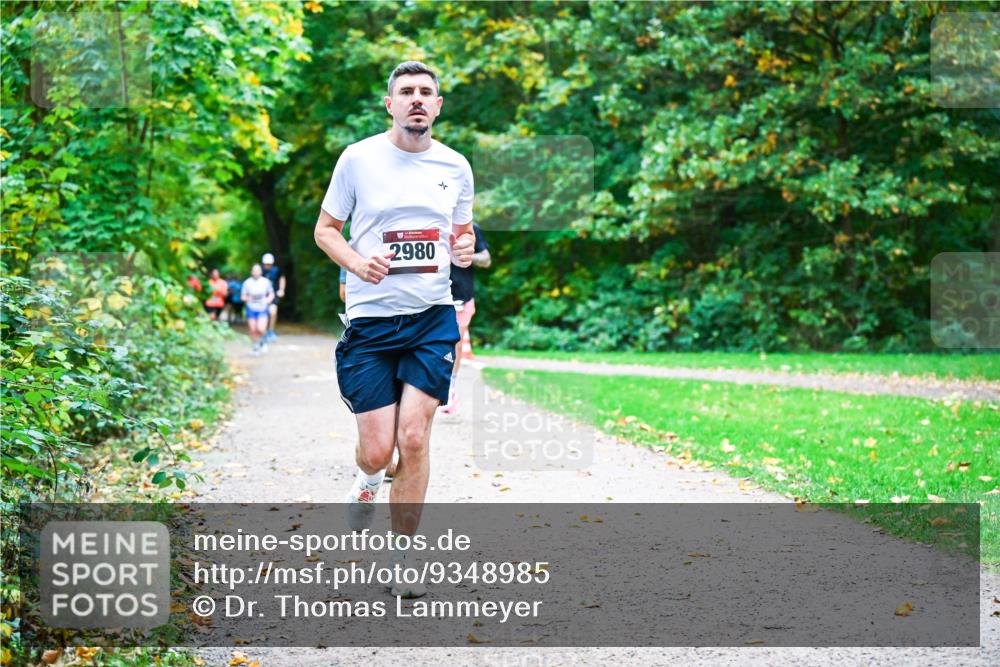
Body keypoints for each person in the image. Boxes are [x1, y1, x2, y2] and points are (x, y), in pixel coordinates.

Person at [314, 60, 475, 598]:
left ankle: (403, 559)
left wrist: (466, 248)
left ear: (438, 106)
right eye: (406, 92)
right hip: (370, 322)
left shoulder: (455, 166)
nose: (416, 100)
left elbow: (463, 234)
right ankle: (367, 479)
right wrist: (357, 264)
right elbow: (326, 230)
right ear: (390, 104)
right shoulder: (357, 160)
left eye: (426, 92)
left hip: (432, 318)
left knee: (415, 437)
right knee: (379, 451)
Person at [440, 222, 490, 413]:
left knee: (456, 342)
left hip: (462, 295)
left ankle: (450, 389)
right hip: (432, 295)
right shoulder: (432, 221)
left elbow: (486, 259)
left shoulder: (471, 228)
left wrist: (465, 255)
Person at [240, 263, 274, 355]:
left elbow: (271, 293)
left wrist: (268, 300)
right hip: (251, 308)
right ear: (251, 272)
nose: (256, 272)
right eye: (254, 270)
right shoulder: (247, 283)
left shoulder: (266, 282)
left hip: (262, 308)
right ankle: (255, 346)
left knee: (261, 328)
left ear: (261, 271)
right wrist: (247, 299)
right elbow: (242, 296)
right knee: (253, 329)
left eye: (258, 270)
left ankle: (263, 341)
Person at [261, 253, 285, 342]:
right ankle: (263, 332)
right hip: (262, 296)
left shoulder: (276, 270)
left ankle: (271, 331)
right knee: (263, 313)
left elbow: (282, 278)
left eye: (269, 264)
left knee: (273, 312)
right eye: (266, 264)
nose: (268, 265)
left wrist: (281, 289)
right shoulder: (260, 271)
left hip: (273, 294)